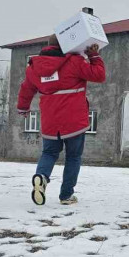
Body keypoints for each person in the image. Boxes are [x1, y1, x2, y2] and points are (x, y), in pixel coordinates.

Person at [17, 35, 106, 205]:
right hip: (74, 122)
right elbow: (99, 75)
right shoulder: (74, 61)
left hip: (50, 122)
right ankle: (66, 196)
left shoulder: (34, 68)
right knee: (73, 157)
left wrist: (23, 108)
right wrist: (94, 56)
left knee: (49, 153)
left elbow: (26, 89)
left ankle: (41, 177)